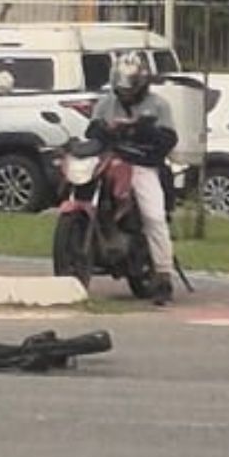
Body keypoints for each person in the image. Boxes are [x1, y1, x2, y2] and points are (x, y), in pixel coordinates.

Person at [86, 53, 180, 306]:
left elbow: (168, 139)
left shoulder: (158, 105)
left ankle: (163, 275)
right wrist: (103, 130)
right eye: (121, 87)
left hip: (142, 165)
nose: (125, 94)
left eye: (129, 88)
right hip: (109, 161)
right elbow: (92, 131)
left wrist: (144, 130)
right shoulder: (106, 103)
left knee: (154, 216)